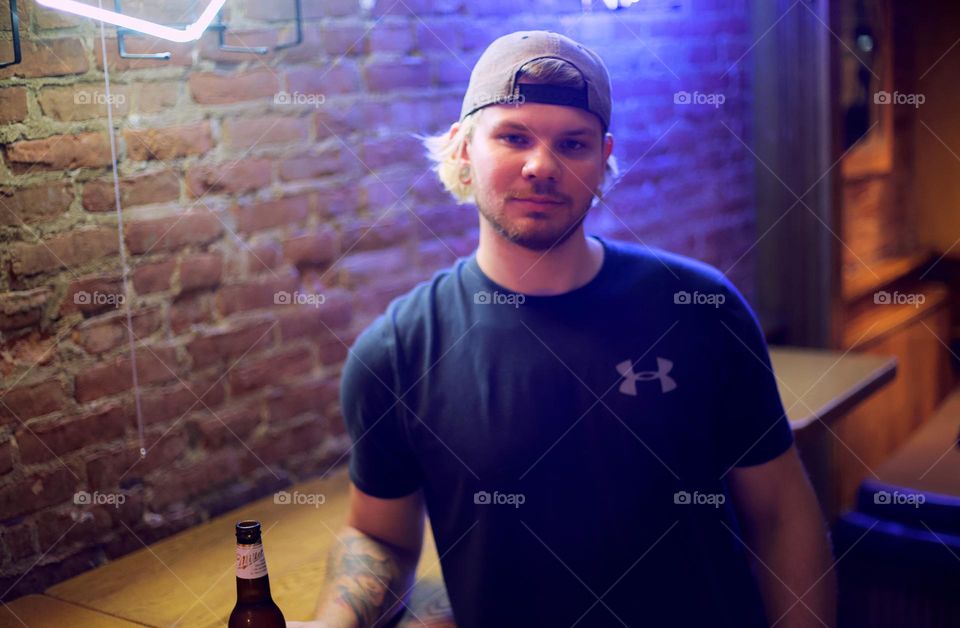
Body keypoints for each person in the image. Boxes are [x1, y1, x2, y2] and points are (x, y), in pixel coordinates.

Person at [290, 30, 837, 628]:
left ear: (603, 159)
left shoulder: (701, 309)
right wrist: (334, 621)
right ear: (463, 148)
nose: (541, 166)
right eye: (513, 137)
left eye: (571, 144)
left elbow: (781, 513)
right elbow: (381, 538)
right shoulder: (396, 352)